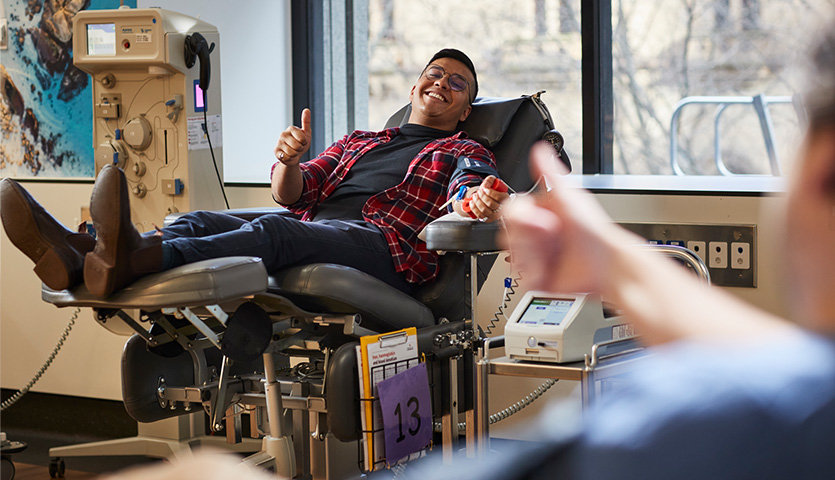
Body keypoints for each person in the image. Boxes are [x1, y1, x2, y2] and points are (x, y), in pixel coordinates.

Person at [411, 20, 835, 480]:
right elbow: (792, 365)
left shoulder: (723, 423)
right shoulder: (801, 395)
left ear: (822, 173)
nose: (440, 85)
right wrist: (613, 263)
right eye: (433, 74)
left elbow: (781, 387)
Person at [0, 48, 509, 298]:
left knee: (273, 231)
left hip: (383, 246)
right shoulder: (361, 140)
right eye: (435, 74)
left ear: (466, 108)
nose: (442, 83)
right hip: (317, 228)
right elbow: (293, 192)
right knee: (198, 219)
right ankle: (79, 253)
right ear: (417, 86)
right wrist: (287, 163)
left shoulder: (464, 147)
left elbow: (468, 189)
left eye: (458, 84)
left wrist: (477, 202)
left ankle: (132, 258)